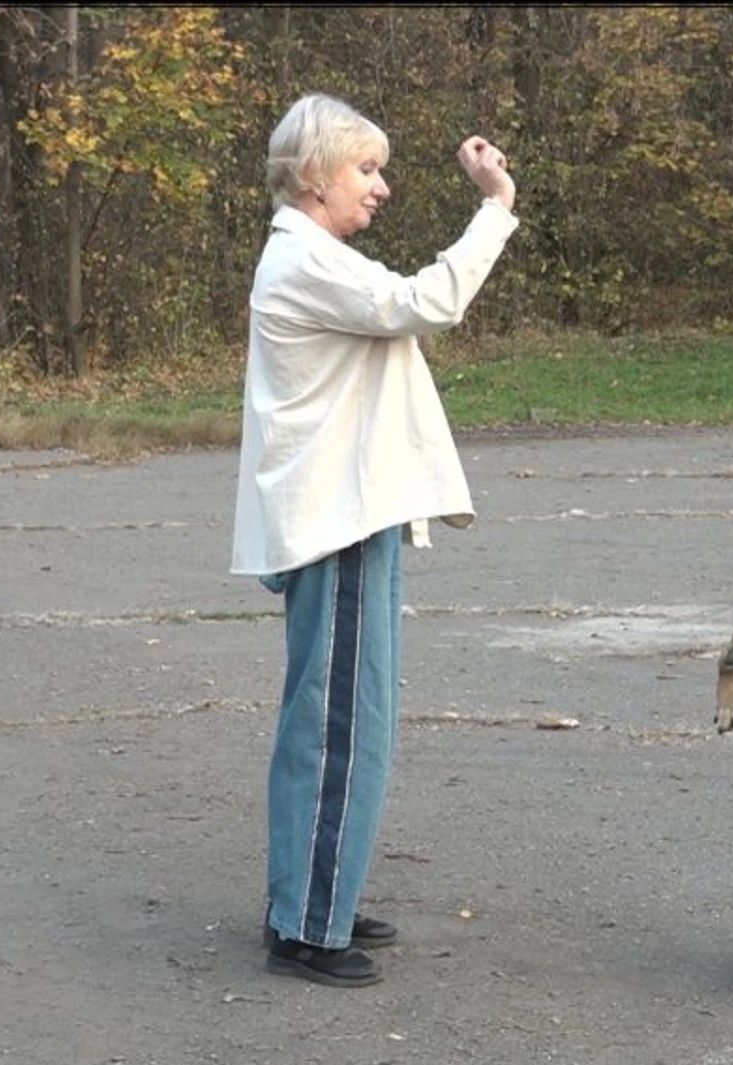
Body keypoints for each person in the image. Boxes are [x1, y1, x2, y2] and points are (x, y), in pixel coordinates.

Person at [230, 92, 518, 988]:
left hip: (348, 516)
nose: (382, 187)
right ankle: (310, 927)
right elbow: (424, 302)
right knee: (340, 726)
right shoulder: (305, 259)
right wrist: (495, 204)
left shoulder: (311, 257)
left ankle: (315, 896)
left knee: (340, 718)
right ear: (315, 176)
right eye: (366, 169)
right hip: (338, 522)